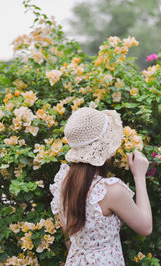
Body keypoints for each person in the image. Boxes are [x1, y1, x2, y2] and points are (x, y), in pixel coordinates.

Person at [50, 107, 152, 266]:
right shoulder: (110, 191)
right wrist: (139, 176)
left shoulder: (63, 182)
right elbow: (145, 227)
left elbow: (68, 230)